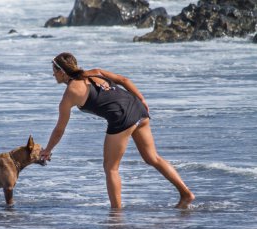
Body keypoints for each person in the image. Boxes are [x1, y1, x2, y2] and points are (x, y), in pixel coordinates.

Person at [40, 52, 195, 209]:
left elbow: (60, 129)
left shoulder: (70, 94)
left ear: (61, 71)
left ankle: (116, 214)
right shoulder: (95, 72)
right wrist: (141, 99)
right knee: (152, 157)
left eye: (54, 70)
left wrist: (48, 150)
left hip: (122, 119)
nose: (53, 74)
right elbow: (123, 80)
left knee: (110, 167)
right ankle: (186, 193)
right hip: (137, 108)